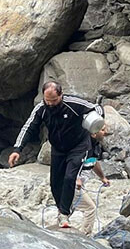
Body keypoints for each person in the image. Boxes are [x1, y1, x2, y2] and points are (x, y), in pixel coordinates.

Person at [9, 81, 103, 228]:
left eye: (54, 100)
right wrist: (17, 149)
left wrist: (96, 124)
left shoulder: (73, 103)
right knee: (55, 183)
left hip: (78, 146)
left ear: (61, 95)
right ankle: (62, 210)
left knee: (70, 177)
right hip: (58, 149)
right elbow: (29, 127)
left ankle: (64, 214)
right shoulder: (41, 108)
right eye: (48, 100)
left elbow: (96, 108)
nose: (51, 103)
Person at [73, 127, 110, 236]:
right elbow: (70, 162)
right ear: (93, 134)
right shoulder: (82, 146)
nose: (106, 132)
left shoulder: (96, 145)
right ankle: (85, 237)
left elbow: (94, 162)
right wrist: (76, 179)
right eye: (102, 130)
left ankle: (58, 229)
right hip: (71, 183)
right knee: (90, 208)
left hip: (80, 184)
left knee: (68, 209)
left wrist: (102, 177)